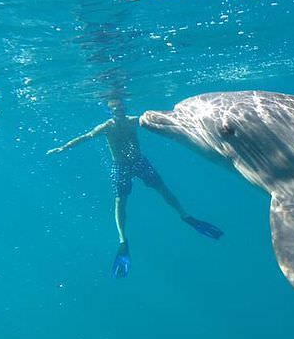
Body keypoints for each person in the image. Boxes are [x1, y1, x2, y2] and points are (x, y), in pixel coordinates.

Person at [47, 99, 223, 278]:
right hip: (120, 166)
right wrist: (64, 147)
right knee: (120, 201)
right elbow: (85, 137)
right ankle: (122, 239)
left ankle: (185, 215)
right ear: (111, 112)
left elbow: (158, 121)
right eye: (116, 109)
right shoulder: (106, 127)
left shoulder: (133, 120)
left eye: (121, 108)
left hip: (139, 161)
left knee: (162, 189)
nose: (120, 111)